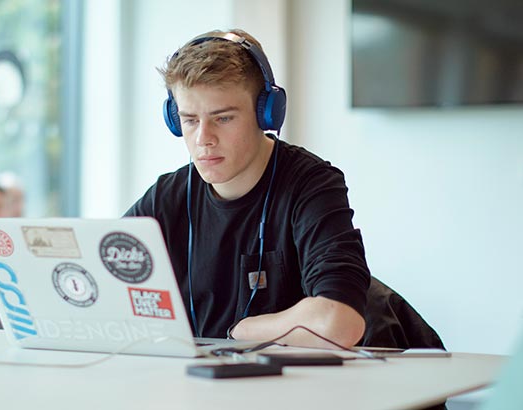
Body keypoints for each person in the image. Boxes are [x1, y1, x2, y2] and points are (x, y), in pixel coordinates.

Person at [125, 29, 370, 349]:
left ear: (265, 113)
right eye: (189, 120)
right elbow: (103, 297)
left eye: (223, 118)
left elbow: (339, 323)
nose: (203, 139)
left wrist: (242, 332)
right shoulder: (166, 198)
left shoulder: (311, 185)